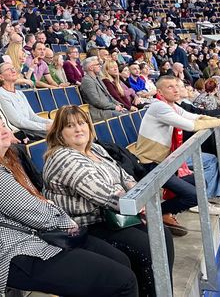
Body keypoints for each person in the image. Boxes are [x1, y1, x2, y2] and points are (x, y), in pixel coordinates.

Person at [0, 112, 138, 296]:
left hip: (40, 237)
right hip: (17, 253)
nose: (4, 130)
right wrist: (67, 222)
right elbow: (35, 212)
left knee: (120, 260)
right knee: (123, 280)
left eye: (3, 125)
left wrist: (52, 210)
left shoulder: (8, 160)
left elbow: (36, 205)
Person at [43, 105, 174, 297]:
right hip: (85, 225)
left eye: (81, 123)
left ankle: (163, 292)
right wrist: (140, 205)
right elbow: (104, 195)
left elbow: (124, 176)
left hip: (111, 217)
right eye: (70, 126)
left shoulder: (94, 148)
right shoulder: (63, 157)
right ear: (60, 133)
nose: (78, 129)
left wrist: (139, 197)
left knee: (164, 236)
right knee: (146, 248)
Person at [134, 75, 220, 236]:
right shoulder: (159, 107)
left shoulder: (173, 106)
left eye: (176, 86)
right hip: (150, 165)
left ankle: (167, 212)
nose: (175, 89)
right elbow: (191, 125)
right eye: (170, 87)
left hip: (164, 162)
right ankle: (156, 213)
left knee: (198, 180)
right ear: (159, 91)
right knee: (194, 195)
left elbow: (195, 117)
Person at [0, 62, 53, 139]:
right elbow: (18, 122)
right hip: (23, 132)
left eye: (13, 68)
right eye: (8, 69)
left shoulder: (20, 93)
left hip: (32, 129)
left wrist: (51, 122)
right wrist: (45, 127)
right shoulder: (1, 94)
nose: (13, 71)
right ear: (1, 77)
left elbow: (32, 116)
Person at [80, 56, 125, 121]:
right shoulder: (87, 81)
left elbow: (109, 96)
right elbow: (96, 101)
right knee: (123, 116)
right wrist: (114, 107)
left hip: (108, 109)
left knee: (126, 112)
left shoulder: (98, 78)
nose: (100, 66)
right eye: (97, 64)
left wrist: (118, 104)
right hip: (99, 112)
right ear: (91, 67)